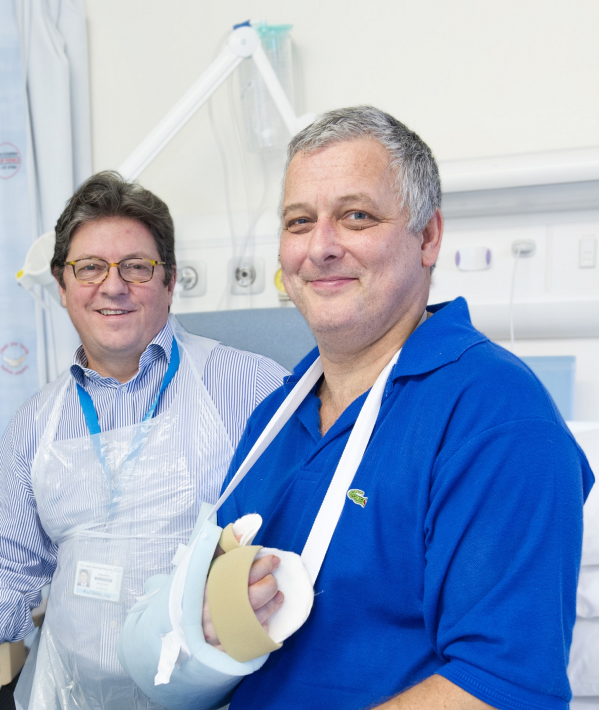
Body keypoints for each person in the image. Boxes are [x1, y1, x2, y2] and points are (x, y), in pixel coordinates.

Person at [129, 106, 594, 710]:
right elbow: (219, 618)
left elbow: (503, 689)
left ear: (427, 237)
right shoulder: (276, 417)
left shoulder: (495, 417)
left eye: (356, 216)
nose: (320, 247)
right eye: (299, 221)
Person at [0, 172, 288, 710]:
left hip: (209, 693)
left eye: (136, 266)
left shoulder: (254, 388)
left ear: (170, 280)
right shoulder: (34, 426)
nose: (113, 285)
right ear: (62, 287)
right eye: (89, 268)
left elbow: (302, 540)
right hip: (66, 696)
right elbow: (4, 574)